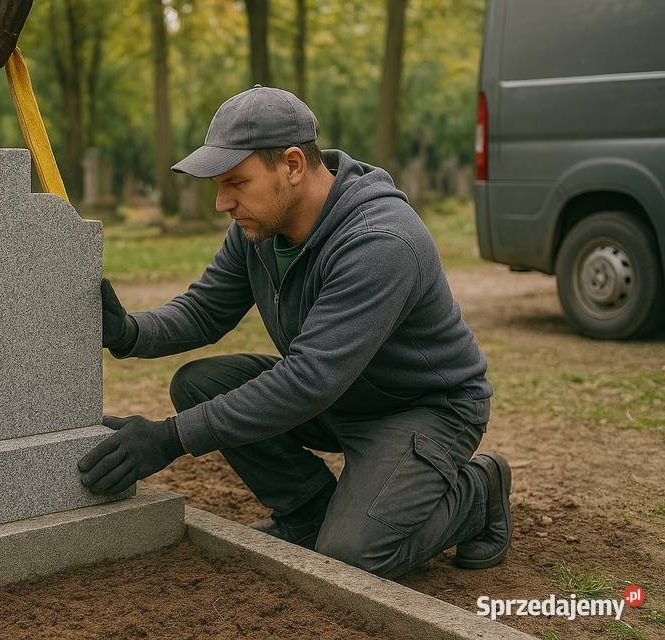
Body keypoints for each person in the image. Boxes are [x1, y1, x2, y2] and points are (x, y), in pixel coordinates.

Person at [77, 85, 512, 579]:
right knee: (200, 383)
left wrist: (170, 439)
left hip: (422, 409)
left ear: (292, 165)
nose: (223, 202)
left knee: (353, 558)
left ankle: (479, 492)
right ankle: (307, 515)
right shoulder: (261, 225)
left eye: (236, 182)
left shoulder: (379, 241)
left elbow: (307, 380)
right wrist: (129, 333)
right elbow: (205, 311)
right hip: (340, 395)